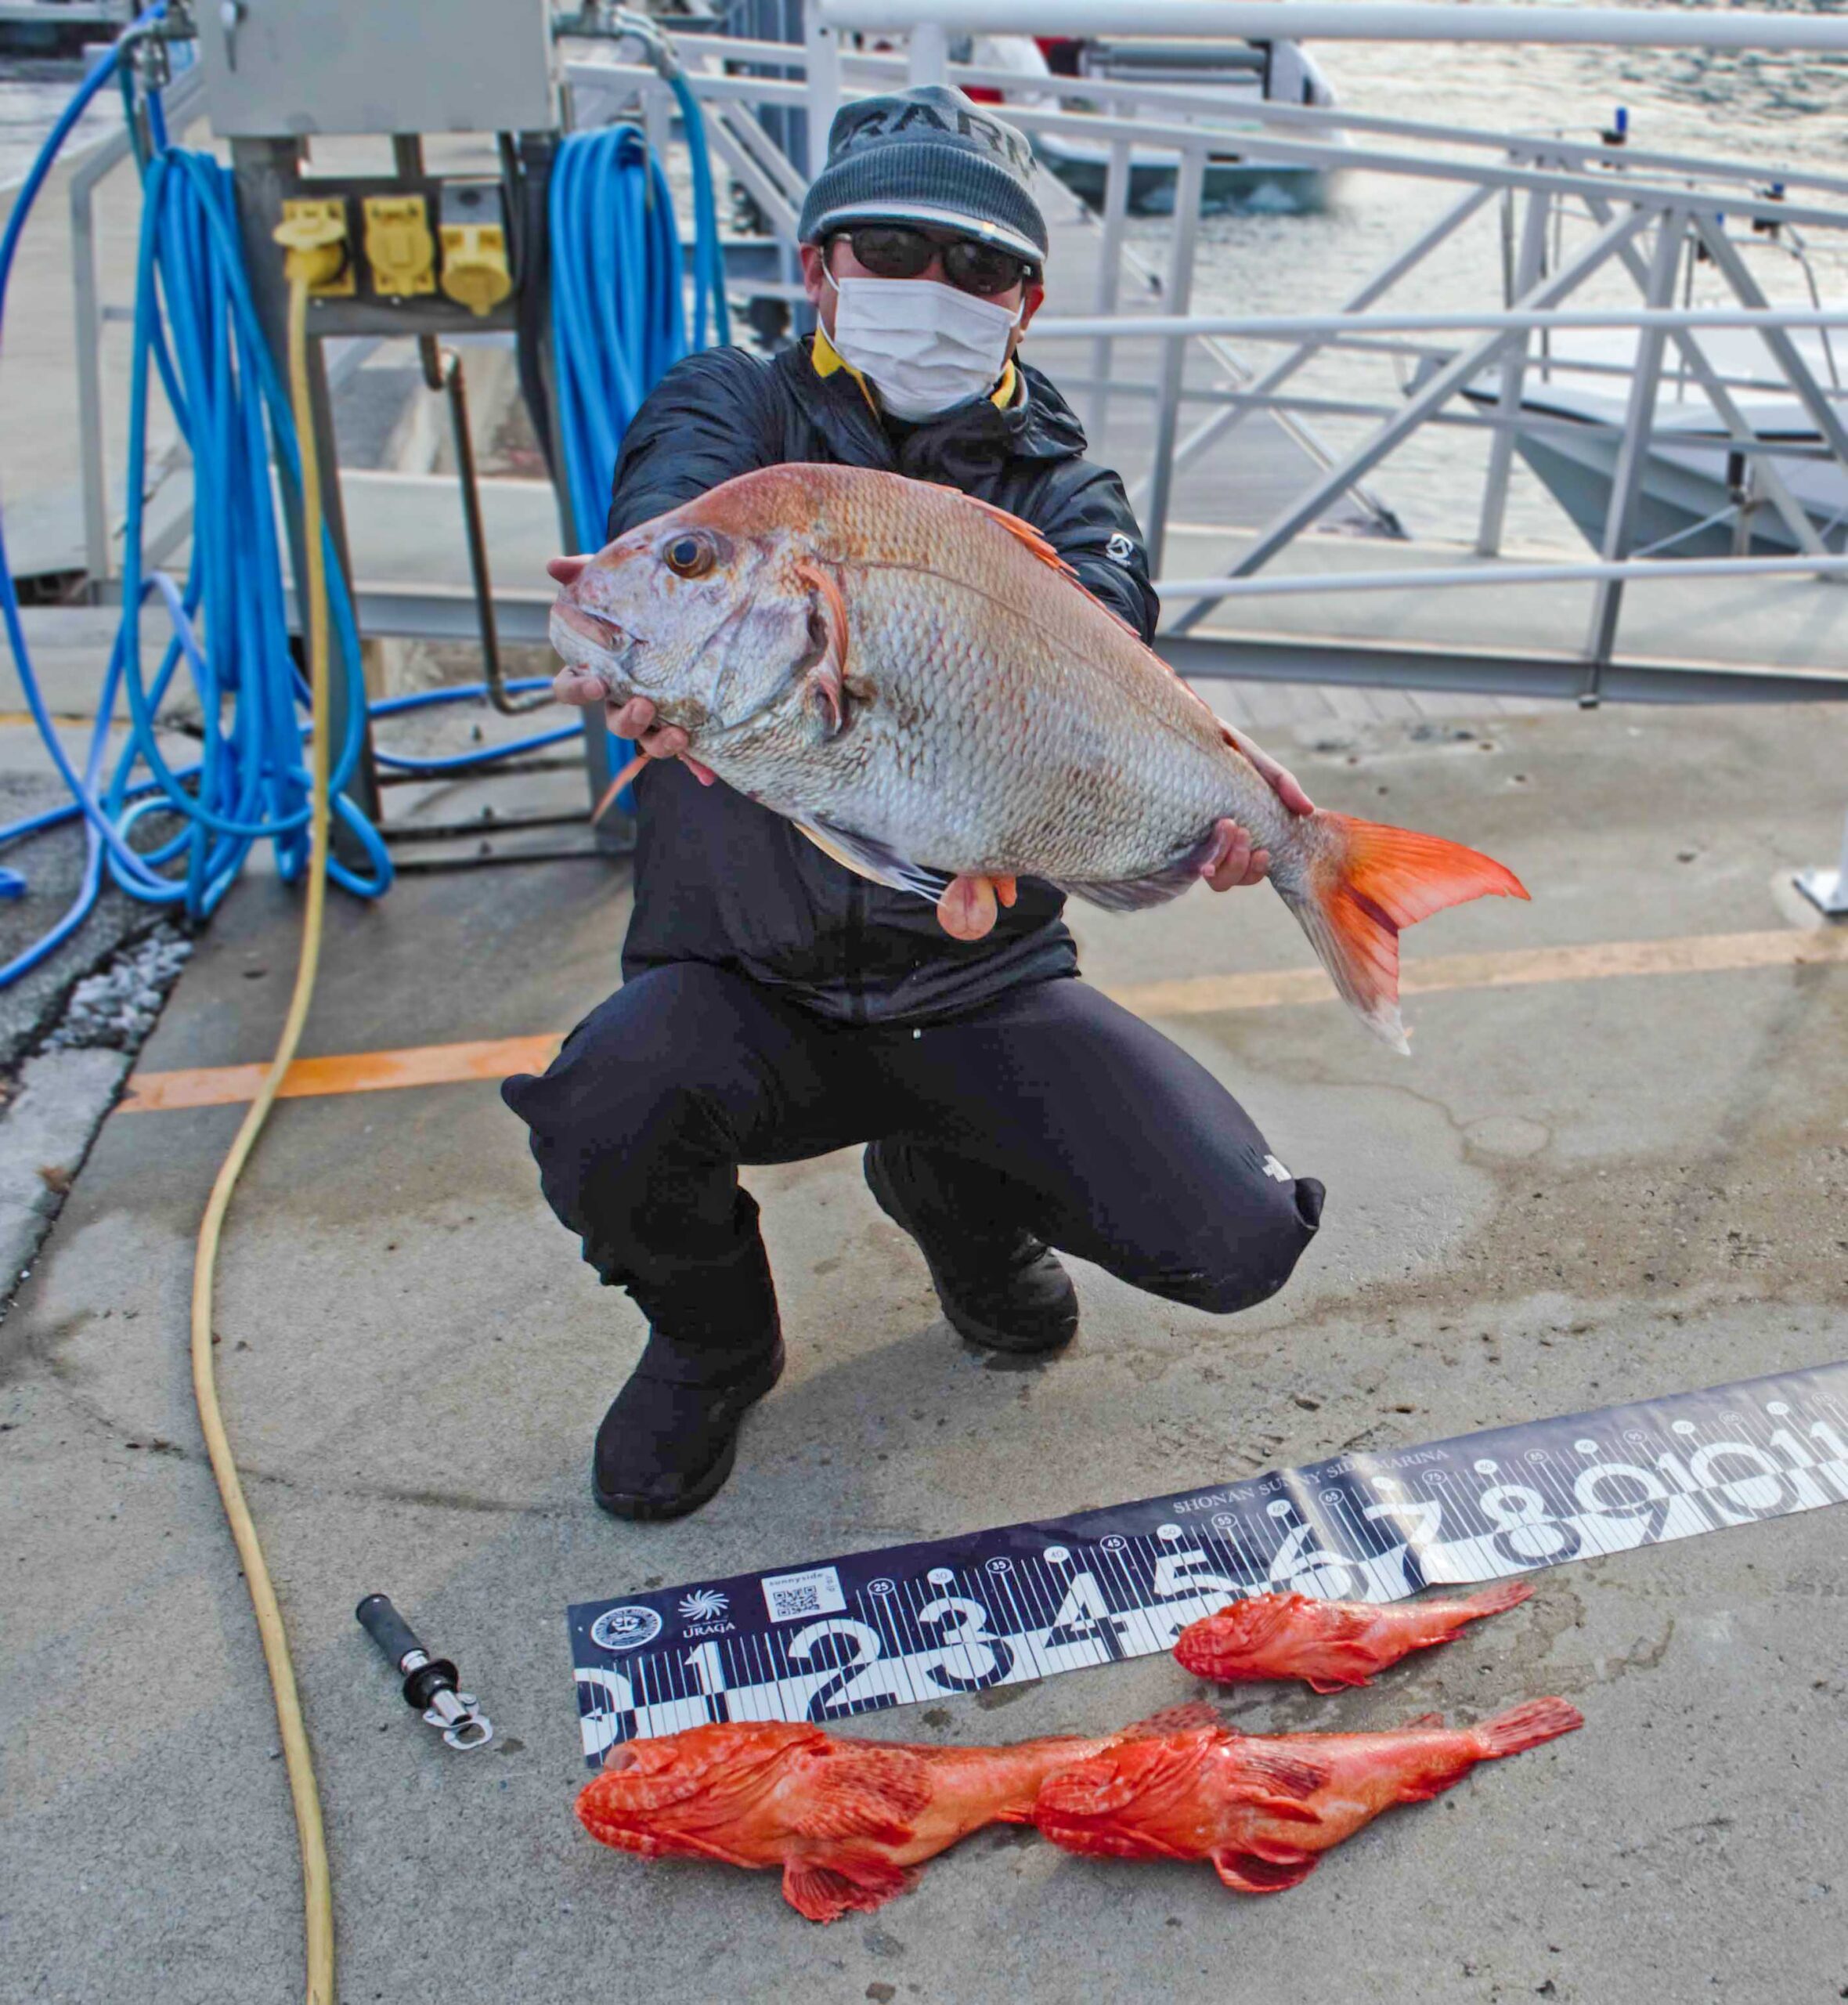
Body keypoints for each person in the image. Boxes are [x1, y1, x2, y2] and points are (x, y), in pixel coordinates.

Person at [504, 86, 1325, 1523]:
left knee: (1240, 1238)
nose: (932, 288)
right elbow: (676, 523)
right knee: (605, 1101)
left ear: (1028, 302)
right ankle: (714, 1345)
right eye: (889, 247)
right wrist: (664, 638)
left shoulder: (1074, 488)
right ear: (819, 269)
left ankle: (953, 1196)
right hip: (743, 987)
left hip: (980, 977)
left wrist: (1206, 793)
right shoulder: (732, 408)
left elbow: (1104, 650)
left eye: (978, 266)